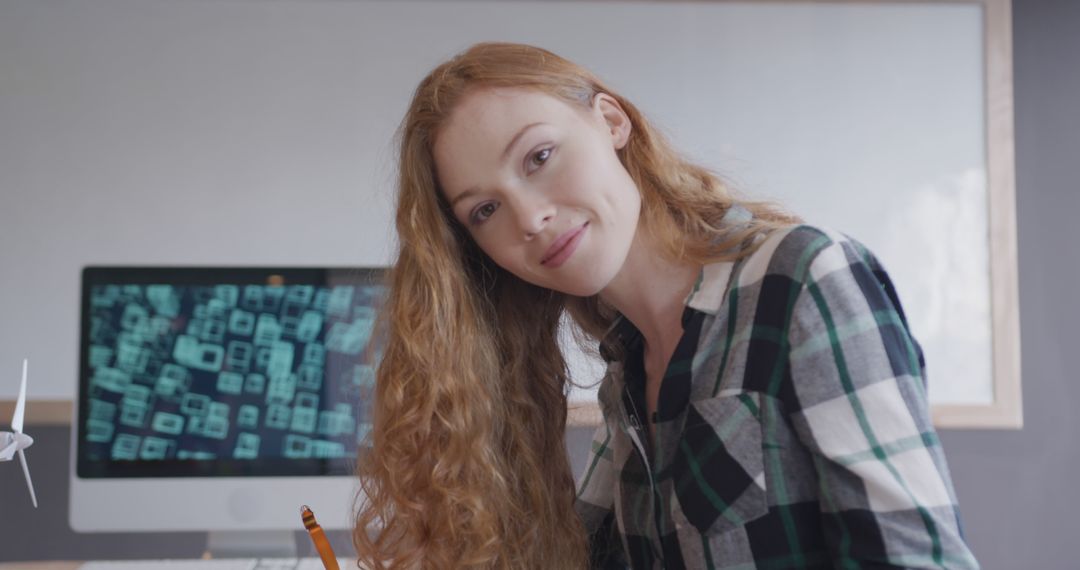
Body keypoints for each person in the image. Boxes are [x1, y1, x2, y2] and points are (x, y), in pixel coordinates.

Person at [353, 42, 979, 569]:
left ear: (611, 121)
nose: (531, 216)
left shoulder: (803, 277)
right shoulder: (625, 370)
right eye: (484, 211)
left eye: (539, 157)